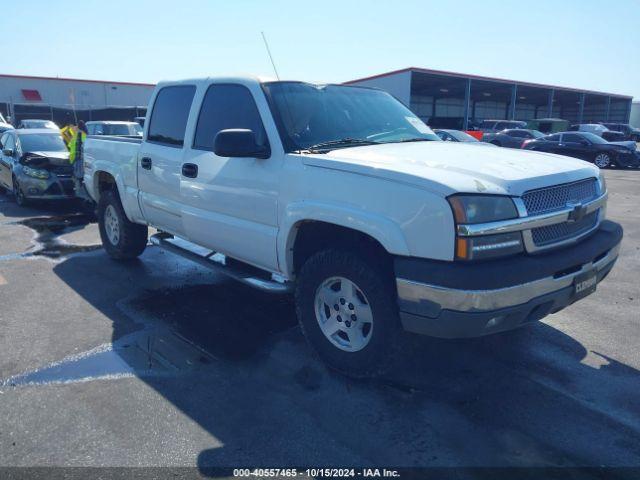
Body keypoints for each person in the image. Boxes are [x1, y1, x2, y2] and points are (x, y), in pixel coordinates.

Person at [68, 120, 91, 202]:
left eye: (77, 126)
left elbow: (70, 146)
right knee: (80, 178)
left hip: (78, 160)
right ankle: (81, 195)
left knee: (79, 178)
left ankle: (83, 197)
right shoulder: (84, 135)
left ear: (79, 127)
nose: (75, 127)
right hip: (79, 160)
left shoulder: (77, 136)